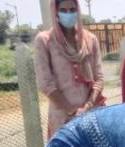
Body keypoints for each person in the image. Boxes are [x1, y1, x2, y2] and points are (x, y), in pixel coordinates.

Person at [35, 0, 105, 139]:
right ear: (56, 12)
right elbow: (45, 84)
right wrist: (71, 110)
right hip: (63, 118)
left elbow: (99, 78)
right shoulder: (45, 41)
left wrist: (88, 106)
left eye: (73, 10)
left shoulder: (90, 40)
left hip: (92, 113)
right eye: (64, 10)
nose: (69, 14)